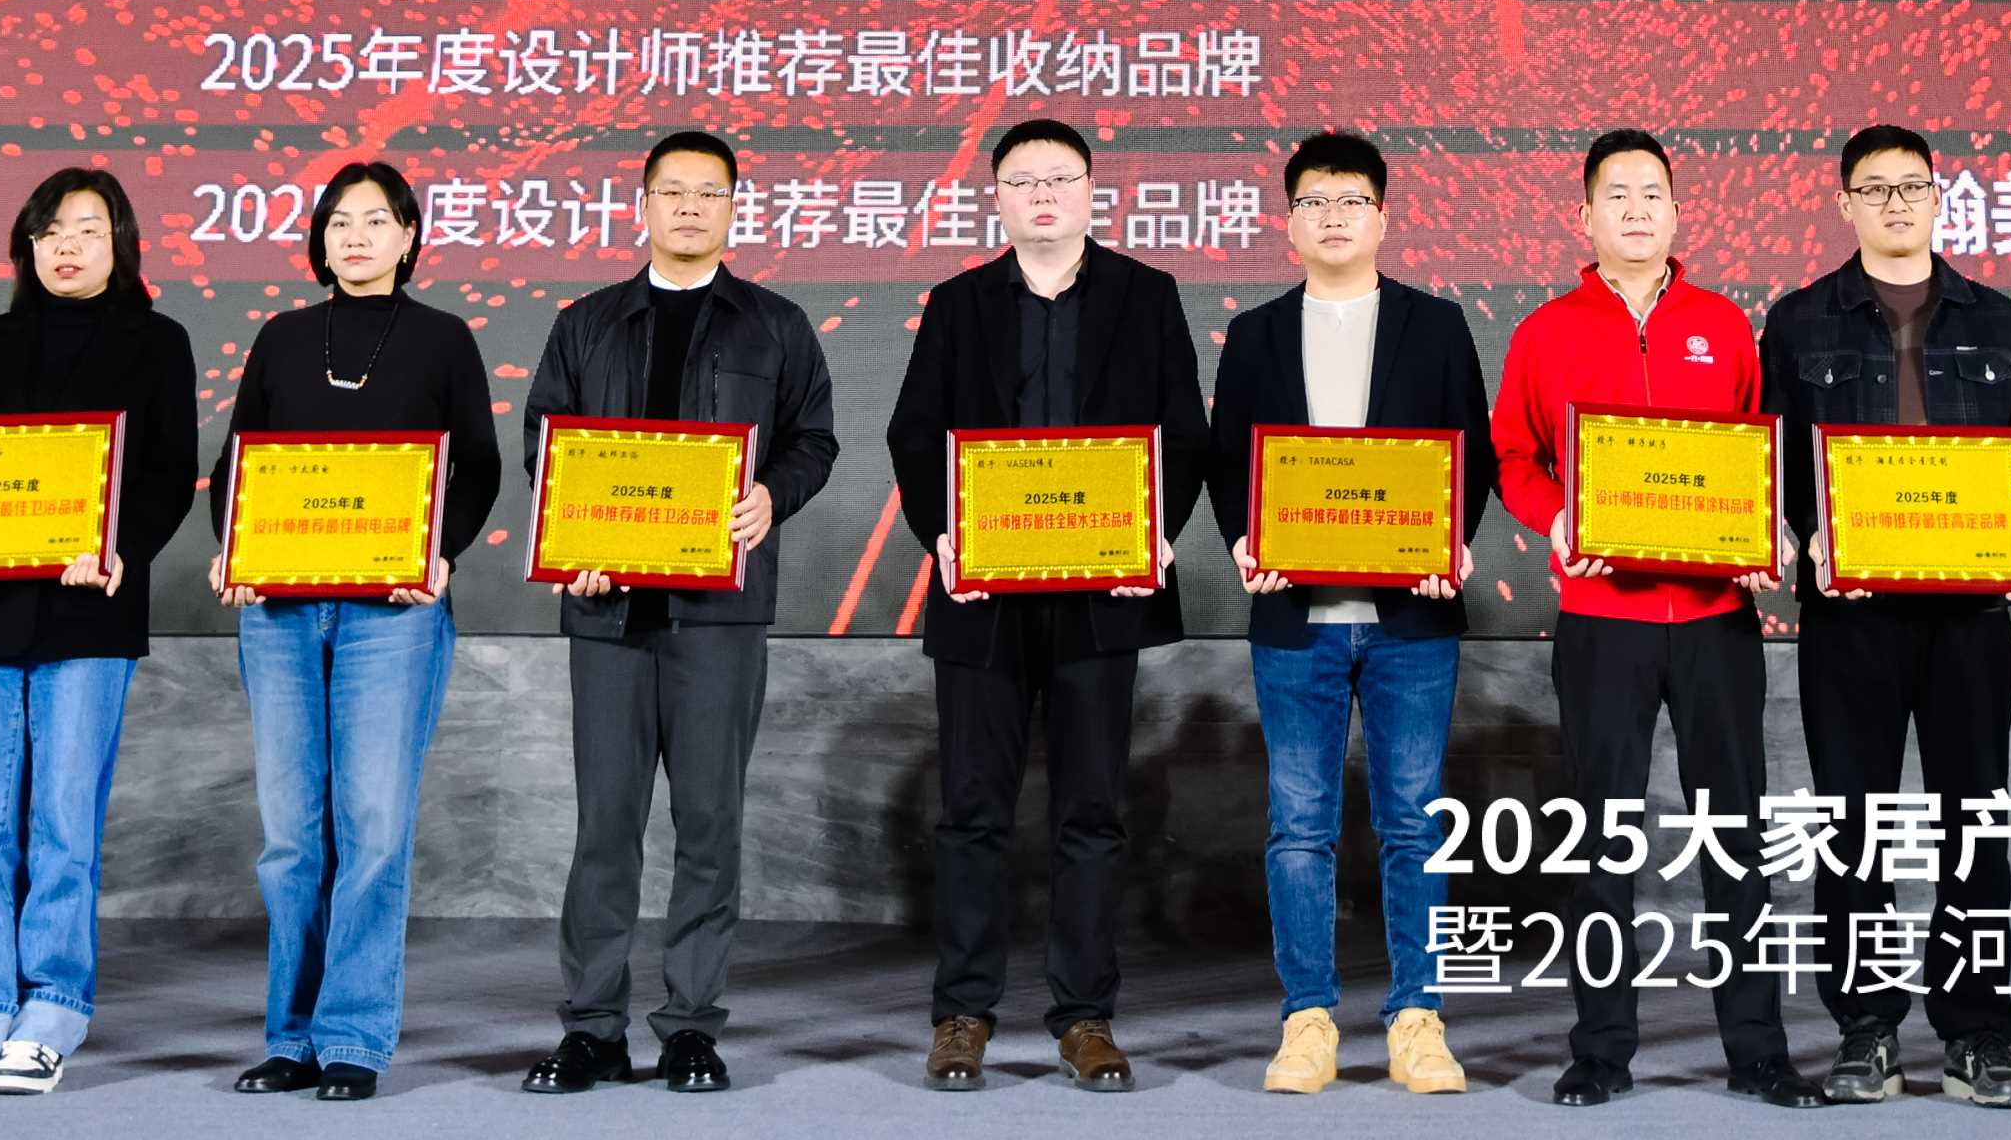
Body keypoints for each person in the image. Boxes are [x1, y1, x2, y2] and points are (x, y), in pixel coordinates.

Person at [884, 117, 1215, 1093]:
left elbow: (1184, 430)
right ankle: (963, 1014)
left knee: (1092, 810)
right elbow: (914, 435)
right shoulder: (957, 303)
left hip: (1101, 592)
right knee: (971, 811)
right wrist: (943, 538)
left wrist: (1155, 533)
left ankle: (1084, 1017)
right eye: (1023, 180)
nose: (1042, 194)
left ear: (1090, 190)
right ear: (997, 197)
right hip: (983, 593)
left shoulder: (1146, 295)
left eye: (1059, 177)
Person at [1492, 128, 1821, 1110]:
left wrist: (1773, 531)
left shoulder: (1723, 325)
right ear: (1584, 215)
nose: (1636, 209)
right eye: (1617, 194)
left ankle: (1757, 1051)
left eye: (1652, 193)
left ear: (1677, 212)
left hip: (1717, 615)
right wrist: (1558, 520)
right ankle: (1600, 1051)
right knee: (1601, 841)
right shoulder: (1544, 331)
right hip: (1602, 616)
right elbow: (1514, 457)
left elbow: (1759, 459)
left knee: (1735, 836)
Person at [519, 129, 843, 1097]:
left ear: (734, 208)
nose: (691, 206)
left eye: (710, 192)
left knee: (708, 823)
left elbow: (814, 438)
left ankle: (692, 1026)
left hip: (719, 612)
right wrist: (573, 536)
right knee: (604, 826)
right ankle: (591, 1028)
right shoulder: (585, 323)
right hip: (607, 612)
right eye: (673, 191)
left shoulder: (775, 324)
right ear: (644, 205)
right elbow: (546, 442)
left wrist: (772, 495)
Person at [1759, 124, 2011, 1110]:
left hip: (1970, 611)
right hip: (1851, 614)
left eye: (1911, 185)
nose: (1894, 202)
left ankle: (1976, 1033)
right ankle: (1867, 1030)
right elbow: (1773, 465)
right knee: (1853, 824)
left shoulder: (2003, 322)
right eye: (1873, 187)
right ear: (1843, 202)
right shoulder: (1798, 322)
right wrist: (1803, 536)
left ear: (1938, 196)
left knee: (1975, 820)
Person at [1207, 130, 1499, 1097]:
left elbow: (1471, 452)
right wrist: (1245, 539)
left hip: (1411, 620)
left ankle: (1419, 1017)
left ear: (1383, 215)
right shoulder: (1255, 333)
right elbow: (1228, 460)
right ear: (1288, 222)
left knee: (1415, 822)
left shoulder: (1436, 324)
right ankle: (1308, 1019)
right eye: (1313, 202)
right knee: (1299, 826)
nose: (1332, 218)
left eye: (1351, 201)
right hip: (1297, 620)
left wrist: (1448, 543)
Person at [208, 160, 504, 1101]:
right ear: (319, 237)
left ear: (409, 235)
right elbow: (238, 463)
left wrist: (442, 551)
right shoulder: (283, 336)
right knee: (292, 837)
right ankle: (290, 1036)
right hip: (281, 612)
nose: (357, 236)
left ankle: (353, 1035)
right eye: (340, 220)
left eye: (377, 220)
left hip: (393, 615)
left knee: (372, 827)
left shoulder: (443, 337)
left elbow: (480, 465)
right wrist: (233, 551)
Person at [0, 168, 202, 1097]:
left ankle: (50, 1011)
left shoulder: (157, 341)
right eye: (48, 231)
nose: (66, 245)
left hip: (88, 606)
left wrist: (121, 547)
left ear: (121, 242)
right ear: (26, 248)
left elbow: (168, 472)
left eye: (86, 228)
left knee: (62, 823)